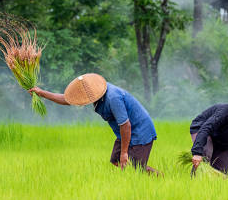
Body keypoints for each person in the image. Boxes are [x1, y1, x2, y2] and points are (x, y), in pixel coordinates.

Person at [30, 73, 159, 174]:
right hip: (124, 133)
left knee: (136, 169)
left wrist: (124, 153)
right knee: (116, 161)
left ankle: (161, 179)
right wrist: (42, 93)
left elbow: (125, 125)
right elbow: (67, 99)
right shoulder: (96, 93)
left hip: (140, 131)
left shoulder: (113, 98)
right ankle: (129, 183)